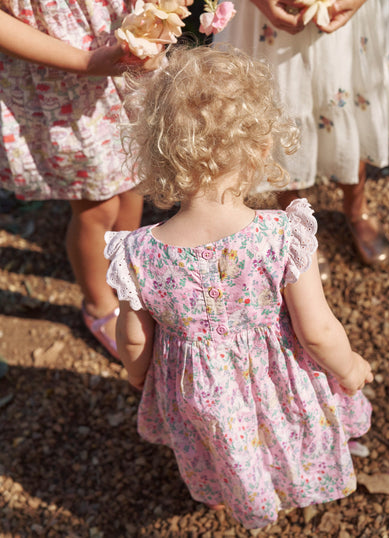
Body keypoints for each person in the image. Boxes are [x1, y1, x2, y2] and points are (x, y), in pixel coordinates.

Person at [104, 45, 374, 529]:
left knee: (218, 437)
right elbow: (316, 332)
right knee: (278, 428)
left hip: (195, 388)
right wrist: (350, 367)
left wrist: (139, 375)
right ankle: (281, 479)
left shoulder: (138, 252)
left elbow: (134, 337)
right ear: (261, 146)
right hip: (278, 381)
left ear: (158, 149)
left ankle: (226, 488)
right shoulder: (282, 236)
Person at [0, 3, 157, 359]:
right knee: (96, 205)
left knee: (133, 178)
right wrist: (87, 63)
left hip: (117, 53)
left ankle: (122, 273)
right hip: (57, 76)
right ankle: (99, 302)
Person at [213, 0, 389, 269]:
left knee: (345, 87)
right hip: (260, 14)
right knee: (276, 94)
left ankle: (356, 204)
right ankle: (293, 222)